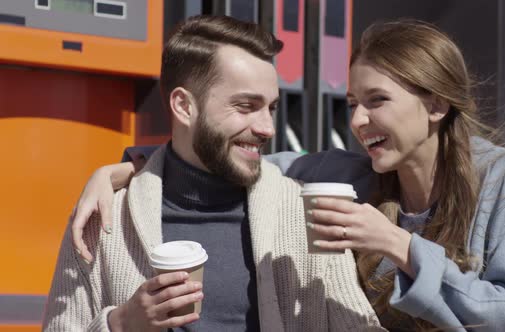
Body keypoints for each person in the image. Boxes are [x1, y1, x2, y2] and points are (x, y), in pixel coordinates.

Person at [70, 20, 505, 331]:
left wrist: (399, 245)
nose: (359, 121)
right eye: (352, 104)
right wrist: (126, 168)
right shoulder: (351, 175)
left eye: (377, 101)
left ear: (435, 104)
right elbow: (235, 156)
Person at [42, 15, 383, 332]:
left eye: (272, 108)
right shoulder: (104, 217)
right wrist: (120, 323)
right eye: (246, 106)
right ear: (184, 106)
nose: (267, 128)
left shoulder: (305, 213)